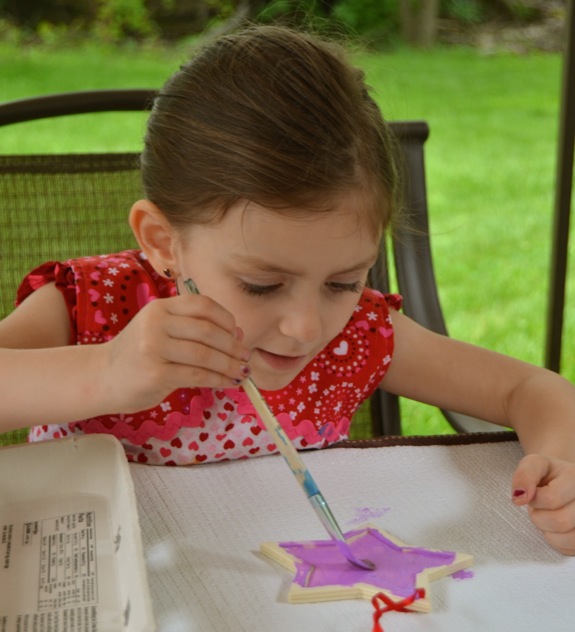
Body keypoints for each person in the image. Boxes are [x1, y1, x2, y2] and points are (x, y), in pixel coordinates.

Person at [1, 25, 574, 556]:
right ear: (163, 241)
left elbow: (528, 386)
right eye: (261, 284)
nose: (305, 327)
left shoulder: (355, 337)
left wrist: (559, 463)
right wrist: (105, 372)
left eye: (345, 281)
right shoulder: (94, 305)